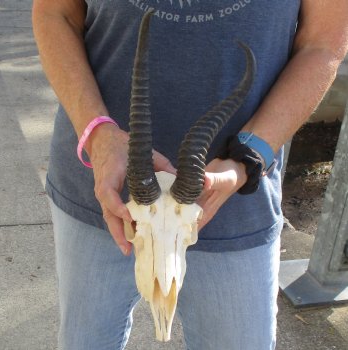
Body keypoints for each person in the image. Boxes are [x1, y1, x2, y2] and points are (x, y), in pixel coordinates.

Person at [32, 1, 348, 349]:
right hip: (104, 190)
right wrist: (97, 133)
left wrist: (249, 155)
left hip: (235, 203)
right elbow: (55, 13)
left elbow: (322, 43)